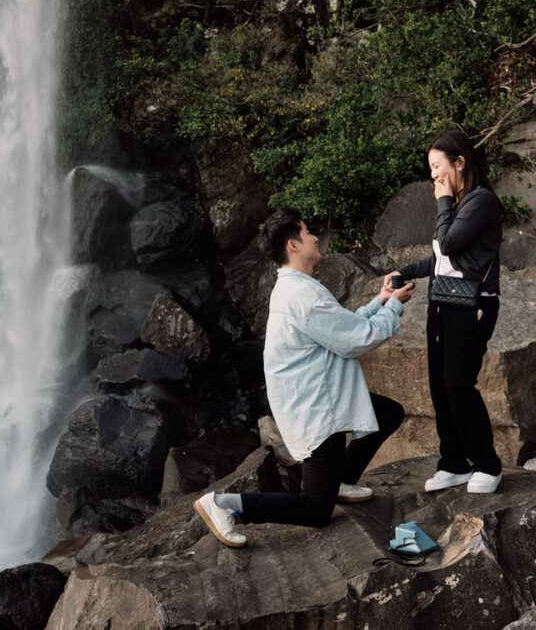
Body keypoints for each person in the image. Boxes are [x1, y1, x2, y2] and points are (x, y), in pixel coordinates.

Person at [195, 209, 415, 547]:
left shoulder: (297, 288)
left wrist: (381, 301)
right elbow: (356, 340)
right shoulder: (302, 294)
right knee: (316, 510)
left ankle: (340, 481)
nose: (315, 237)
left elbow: (343, 327)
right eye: (308, 232)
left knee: (387, 413)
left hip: (318, 398)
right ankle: (225, 504)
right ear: (294, 245)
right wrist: (394, 307)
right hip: (317, 411)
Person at [390, 130, 503, 494]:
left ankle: (487, 464)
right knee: (440, 387)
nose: (434, 176)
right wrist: (405, 272)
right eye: (431, 169)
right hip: (444, 303)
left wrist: (441, 202)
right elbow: (440, 259)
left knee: (458, 383)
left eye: (438, 166)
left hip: (474, 305)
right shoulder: (457, 204)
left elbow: (449, 244)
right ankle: (453, 464)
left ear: (459, 163)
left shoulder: (480, 201)